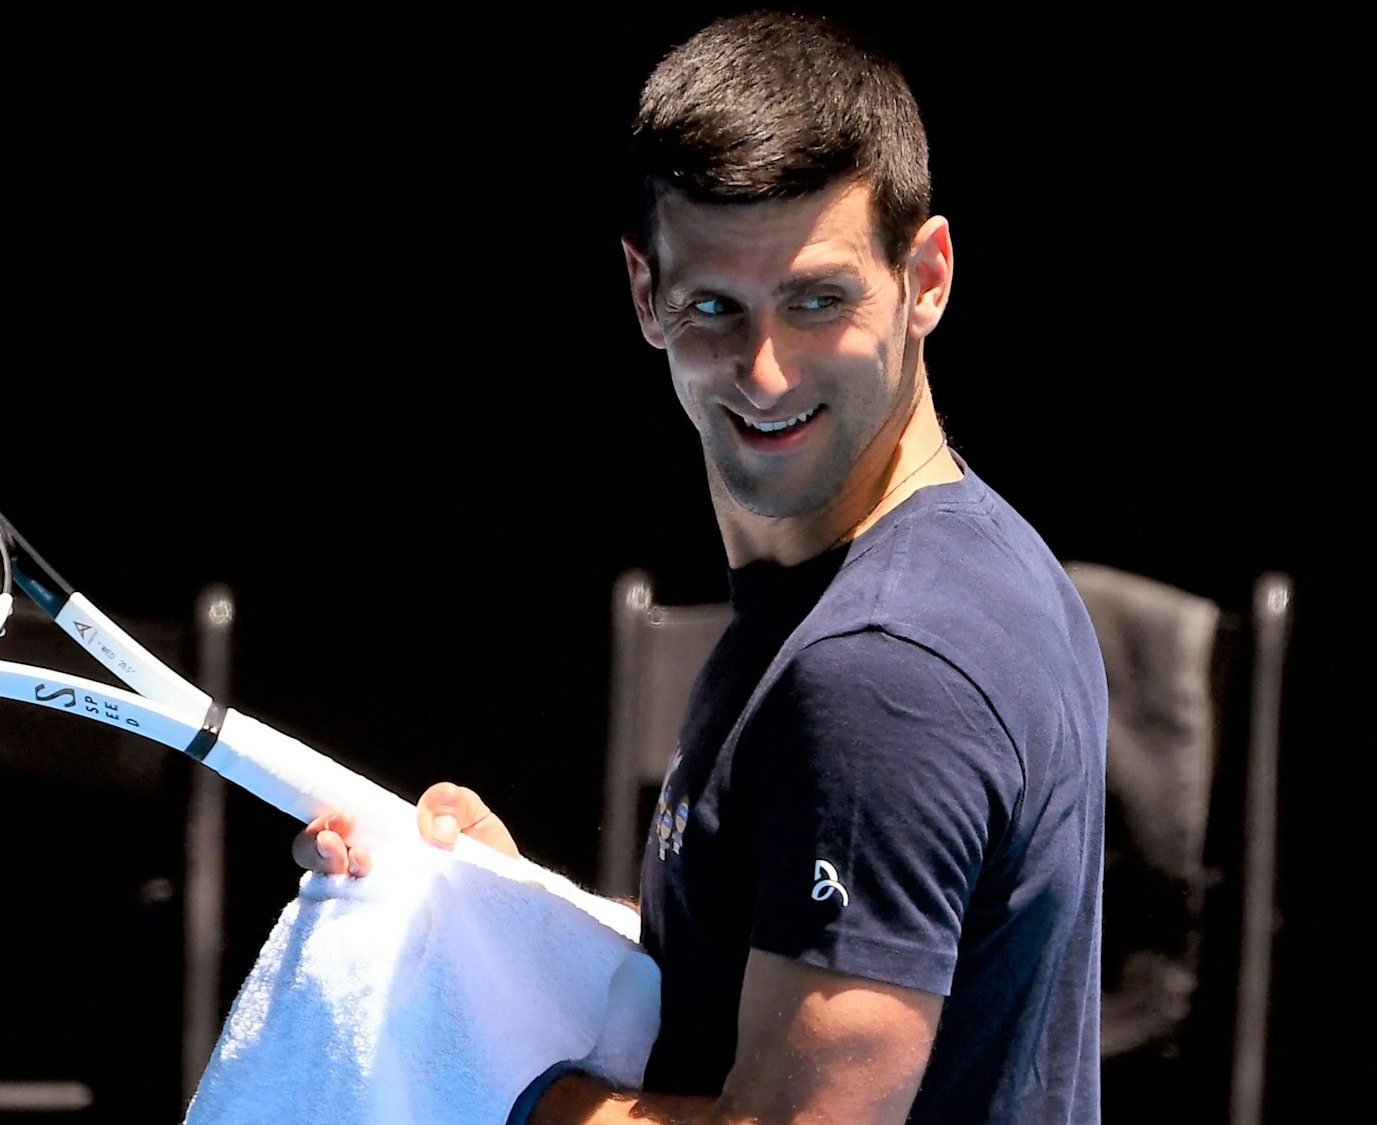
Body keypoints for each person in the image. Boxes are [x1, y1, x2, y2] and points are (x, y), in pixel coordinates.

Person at [292, 8, 1108, 1124]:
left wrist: (482, 1075)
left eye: (817, 301)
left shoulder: (879, 671)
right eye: (711, 308)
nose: (762, 372)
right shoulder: (924, 573)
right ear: (643, 294)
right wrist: (497, 923)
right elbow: (746, 978)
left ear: (924, 277)